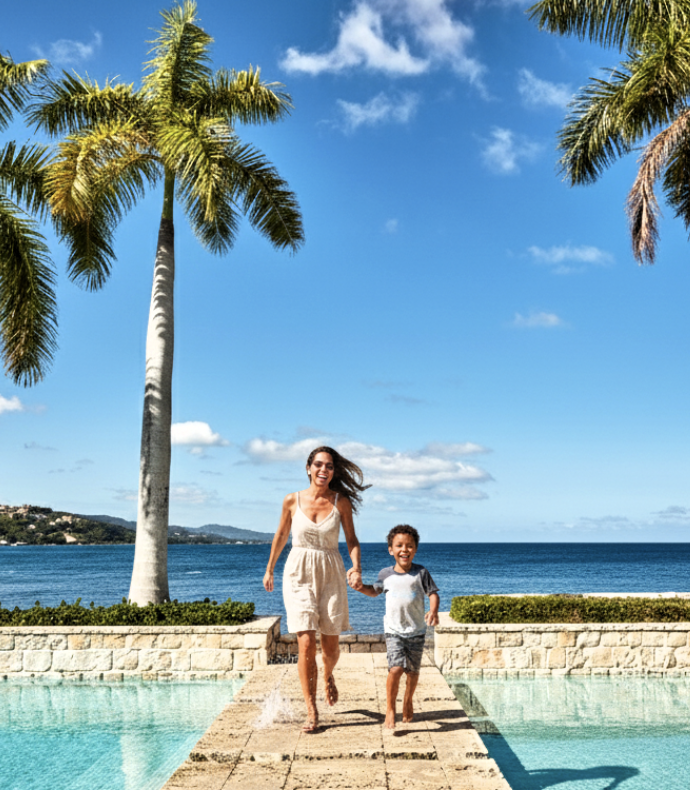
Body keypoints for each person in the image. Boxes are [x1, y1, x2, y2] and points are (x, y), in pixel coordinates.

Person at [263, 446, 368, 732]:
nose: (324, 470)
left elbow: (352, 540)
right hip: (298, 571)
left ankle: (328, 673)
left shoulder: (340, 502)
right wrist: (270, 567)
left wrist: (356, 567)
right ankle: (312, 709)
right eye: (319, 464)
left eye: (330, 466)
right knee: (306, 641)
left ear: (334, 472)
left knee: (331, 647)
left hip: (331, 572)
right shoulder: (291, 500)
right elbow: (282, 534)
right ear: (308, 468)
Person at [351, 524, 439, 729]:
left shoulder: (421, 573)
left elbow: (433, 593)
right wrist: (360, 587)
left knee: (413, 672)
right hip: (393, 631)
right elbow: (375, 591)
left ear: (415, 549)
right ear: (391, 549)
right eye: (399, 545)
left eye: (409, 546)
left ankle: (408, 700)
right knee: (396, 668)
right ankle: (390, 708)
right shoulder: (385, 574)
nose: (404, 549)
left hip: (417, 630)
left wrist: (433, 610)